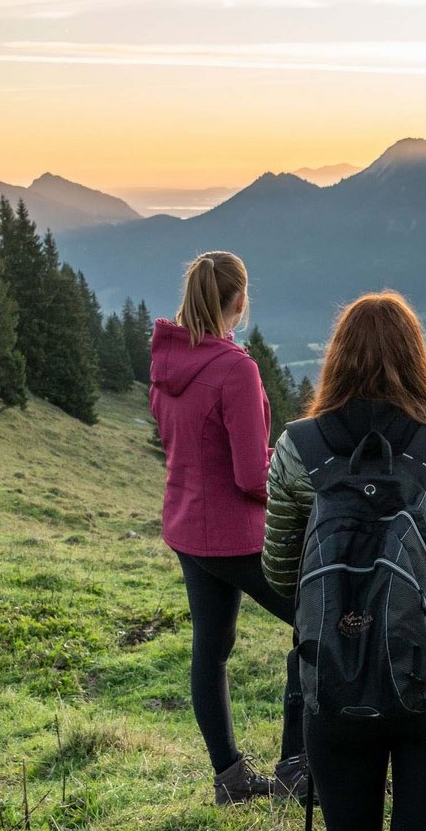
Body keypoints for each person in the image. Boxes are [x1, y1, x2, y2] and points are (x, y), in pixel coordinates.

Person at [262, 290, 426, 831]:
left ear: (336, 356)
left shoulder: (297, 447)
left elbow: (280, 573)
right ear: (417, 355)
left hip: (334, 674)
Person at [148, 250, 306, 804]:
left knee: (210, 651)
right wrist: (297, 477)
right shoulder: (234, 368)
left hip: (187, 528)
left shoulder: (168, 364)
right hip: (236, 535)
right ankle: (296, 768)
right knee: (316, 622)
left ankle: (231, 779)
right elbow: (250, 476)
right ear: (239, 300)